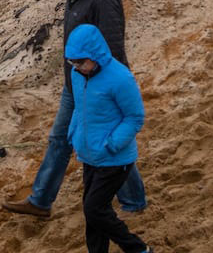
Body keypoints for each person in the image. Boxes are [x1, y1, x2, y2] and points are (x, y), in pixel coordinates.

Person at [2, 0, 146, 218]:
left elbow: (112, 48)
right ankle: (41, 200)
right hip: (76, 84)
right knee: (59, 139)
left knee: (110, 147)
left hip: (98, 88)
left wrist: (97, 88)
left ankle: (134, 201)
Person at [65, 24, 152, 253]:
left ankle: (138, 249)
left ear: (95, 54)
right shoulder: (77, 75)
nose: (77, 68)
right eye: (73, 62)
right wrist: (74, 133)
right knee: (93, 210)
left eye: (81, 62)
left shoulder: (120, 78)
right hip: (89, 155)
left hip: (115, 159)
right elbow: (79, 108)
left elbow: (134, 117)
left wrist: (111, 144)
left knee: (94, 209)